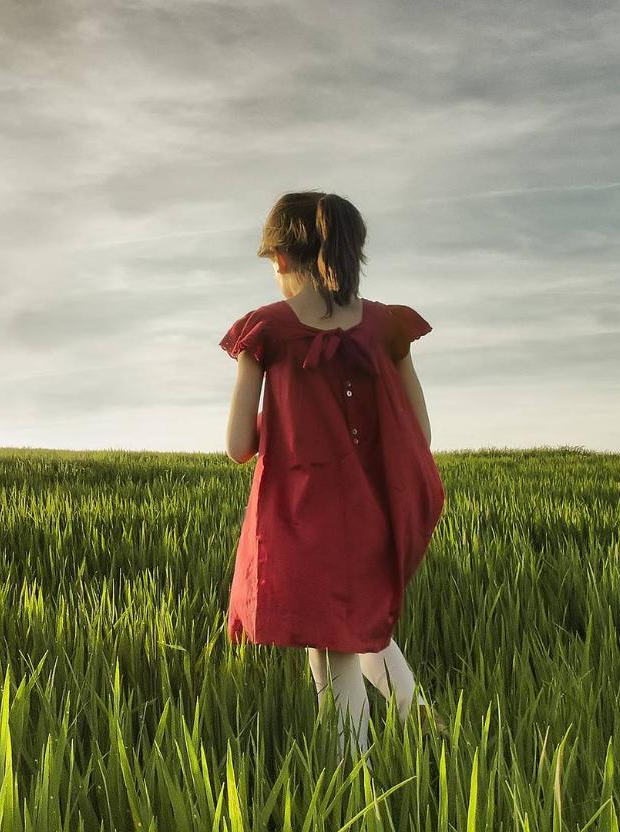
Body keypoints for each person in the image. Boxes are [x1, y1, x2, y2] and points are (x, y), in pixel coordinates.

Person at [219, 191, 449, 762]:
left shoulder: (264, 330)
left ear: (280, 259)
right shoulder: (387, 327)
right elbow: (420, 432)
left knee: (335, 651)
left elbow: (237, 446)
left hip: (299, 515)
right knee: (352, 626)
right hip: (370, 511)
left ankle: (356, 781)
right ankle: (425, 726)